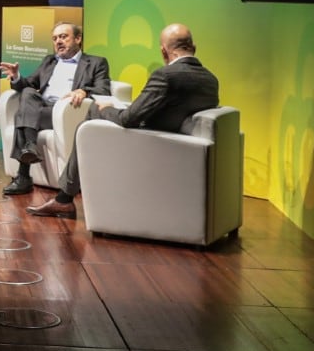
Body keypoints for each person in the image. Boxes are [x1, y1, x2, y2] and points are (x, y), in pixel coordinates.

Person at [28, 23, 220, 219]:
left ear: (164, 51)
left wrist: (109, 109)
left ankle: (64, 198)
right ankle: (68, 195)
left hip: (147, 142)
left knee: (94, 111)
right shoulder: (211, 80)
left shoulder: (166, 76)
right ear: (193, 47)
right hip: (176, 143)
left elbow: (129, 120)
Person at [0, 22, 112, 196]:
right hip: (41, 109)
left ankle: (23, 176)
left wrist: (84, 91)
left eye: (63, 36)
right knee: (28, 93)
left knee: (23, 115)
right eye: (55, 38)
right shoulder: (49, 61)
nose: (58, 41)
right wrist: (16, 77)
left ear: (78, 39)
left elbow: (104, 90)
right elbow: (28, 85)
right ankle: (29, 147)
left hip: (66, 112)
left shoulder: (96, 62)